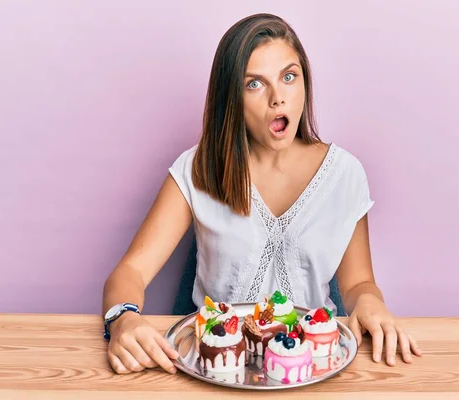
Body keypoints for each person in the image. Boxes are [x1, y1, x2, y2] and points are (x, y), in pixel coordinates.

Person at [101, 12, 421, 375]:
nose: (277, 98)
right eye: (254, 84)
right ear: (231, 97)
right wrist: (122, 318)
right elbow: (129, 272)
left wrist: (370, 302)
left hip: (312, 367)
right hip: (216, 367)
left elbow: (359, 283)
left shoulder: (345, 174)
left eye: (289, 77)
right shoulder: (198, 169)